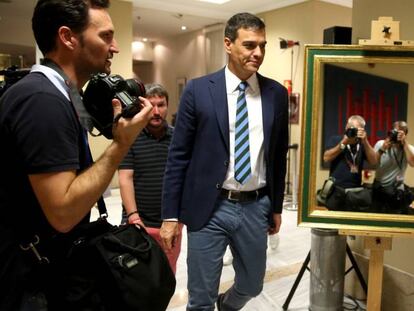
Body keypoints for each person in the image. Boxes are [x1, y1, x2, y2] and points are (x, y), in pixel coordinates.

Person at [0, 0, 152, 309]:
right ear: (68, 37)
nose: (116, 47)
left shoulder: (61, 94)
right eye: (106, 36)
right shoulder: (42, 100)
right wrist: (121, 145)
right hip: (29, 284)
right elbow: (64, 213)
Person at [160, 12, 289, 311]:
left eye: (263, 46)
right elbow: (178, 157)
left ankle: (227, 305)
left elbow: (278, 155)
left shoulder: (276, 94)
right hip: (210, 206)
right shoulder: (198, 90)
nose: (258, 53)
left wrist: (277, 206)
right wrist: (170, 215)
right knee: (200, 298)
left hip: (256, 205)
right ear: (228, 44)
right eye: (249, 45)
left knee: (252, 284)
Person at [118, 83, 183, 274]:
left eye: (161, 105)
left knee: (166, 276)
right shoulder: (130, 136)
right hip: (139, 224)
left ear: (167, 106)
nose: (156, 111)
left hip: (170, 224)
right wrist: (133, 217)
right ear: (142, 107)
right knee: (138, 277)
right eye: (151, 105)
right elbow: (125, 178)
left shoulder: (178, 138)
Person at [323, 115, 377, 211]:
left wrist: (365, 141)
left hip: (355, 192)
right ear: (346, 127)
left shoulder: (362, 144)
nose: (355, 133)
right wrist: (344, 143)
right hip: (336, 190)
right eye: (353, 129)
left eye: (358, 130)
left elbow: (374, 161)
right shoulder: (335, 139)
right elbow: (326, 158)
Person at [372, 121, 414, 213]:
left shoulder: (409, 148)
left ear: (405, 134)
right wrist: (383, 149)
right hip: (379, 188)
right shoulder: (380, 144)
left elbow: (412, 163)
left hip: (397, 190)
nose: (397, 135)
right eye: (395, 131)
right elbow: (373, 164)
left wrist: (404, 143)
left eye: (400, 133)